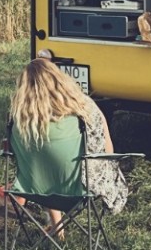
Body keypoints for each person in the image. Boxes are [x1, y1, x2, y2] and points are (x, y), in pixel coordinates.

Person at [8, 57, 129, 232]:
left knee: (47, 165)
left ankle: (58, 226)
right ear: (59, 79)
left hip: (36, 190)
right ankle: (60, 226)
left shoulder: (20, 118)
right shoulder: (84, 108)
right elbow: (106, 147)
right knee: (65, 164)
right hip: (82, 188)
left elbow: (12, 153)